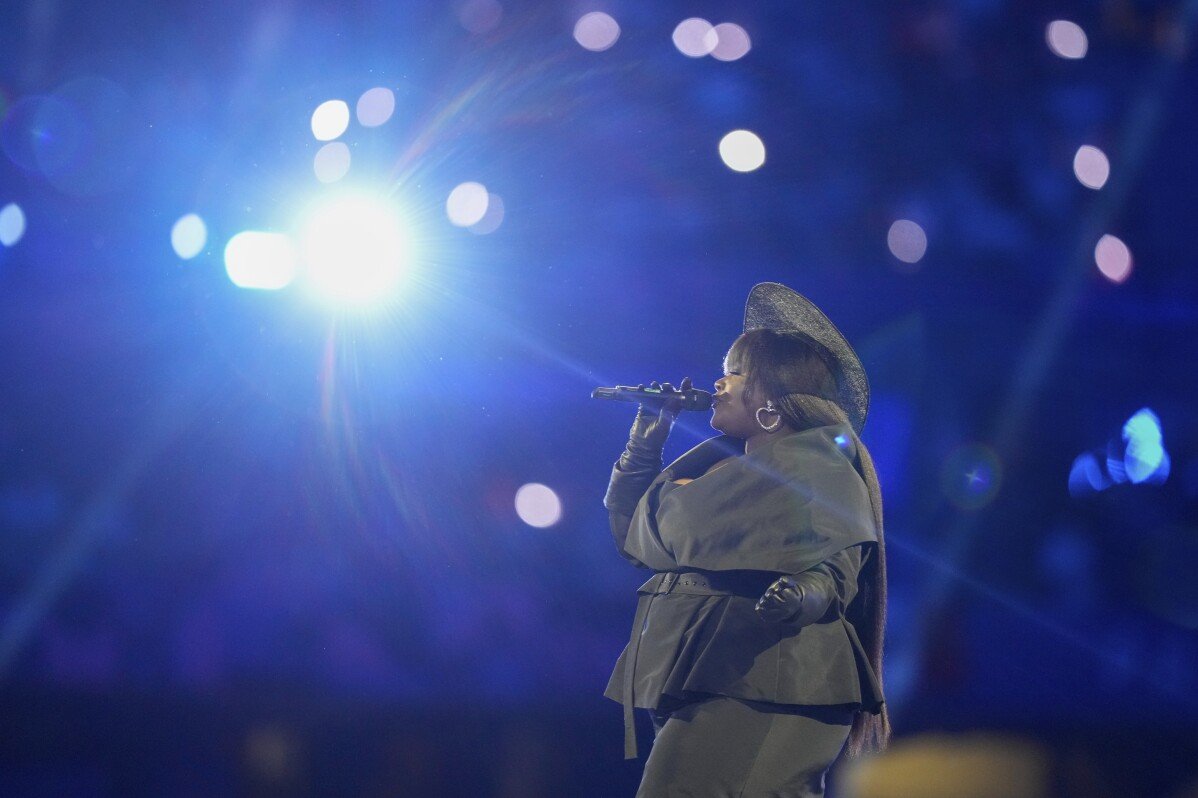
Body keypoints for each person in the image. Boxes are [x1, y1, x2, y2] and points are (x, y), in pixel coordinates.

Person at [603, 283, 889, 797]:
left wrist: (803, 594)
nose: (719, 381)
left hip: (774, 679)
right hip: (711, 669)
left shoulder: (820, 474)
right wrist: (644, 448)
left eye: (735, 372)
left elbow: (836, 572)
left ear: (771, 406)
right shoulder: (716, 474)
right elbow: (637, 538)